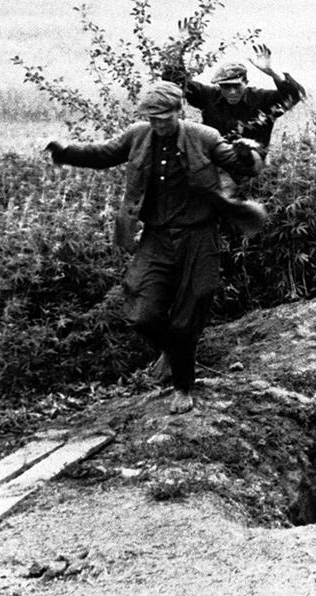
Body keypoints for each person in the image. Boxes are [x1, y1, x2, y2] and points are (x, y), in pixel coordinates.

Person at [44, 81, 266, 414]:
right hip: (156, 236)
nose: (159, 123)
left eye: (165, 117)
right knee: (141, 313)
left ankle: (183, 385)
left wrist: (249, 155)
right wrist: (63, 150)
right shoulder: (138, 135)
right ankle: (174, 352)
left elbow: (239, 164)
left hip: (198, 234)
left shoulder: (202, 136)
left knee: (191, 309)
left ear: (179, 111)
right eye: (153, 117)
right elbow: (103, 154)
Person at [163, 21, 306, 158]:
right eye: (226, 86)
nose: (232, 92)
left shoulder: (261, 99)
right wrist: (179, 47)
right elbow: (175, 82)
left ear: (246, 82)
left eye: (236, 86)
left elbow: (295, 96)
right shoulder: (209, 96)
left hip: (249, 164)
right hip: (215, 160)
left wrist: (272, 73)